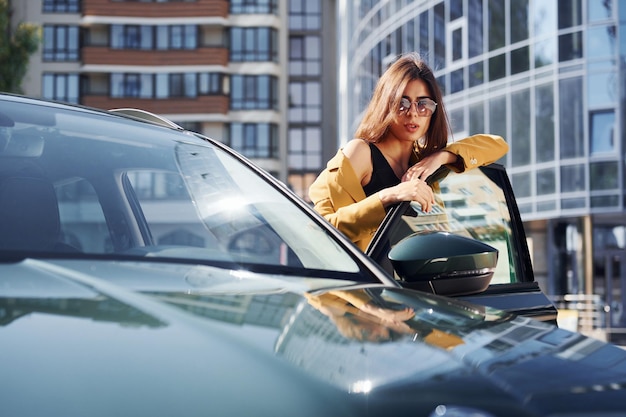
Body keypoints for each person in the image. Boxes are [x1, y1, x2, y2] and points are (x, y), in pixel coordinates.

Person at [309, 53, 508, 251]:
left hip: (420, 281)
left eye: (423, 104)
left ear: (433, 112)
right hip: (371, 281)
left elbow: (498, 145)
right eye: (402, 103)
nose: (413, 113)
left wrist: (442, 156)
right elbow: (321, 230)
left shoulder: (425, 162)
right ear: (386, 105)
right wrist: (389, 196)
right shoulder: (360, 152)